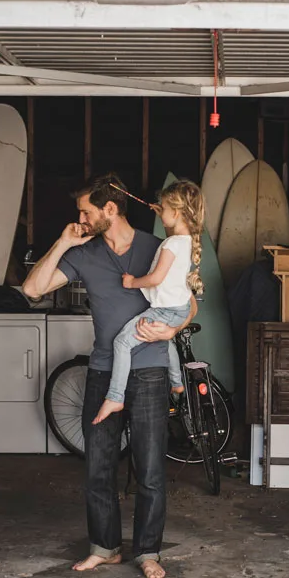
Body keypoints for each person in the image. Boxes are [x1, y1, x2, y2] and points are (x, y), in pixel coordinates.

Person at [22, 174, 193, 578]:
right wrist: (64, 241)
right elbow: (32, 289)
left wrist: (172, 330)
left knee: (150, 470)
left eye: (86, 210)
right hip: (102, 371)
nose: (80, 217)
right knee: (98, 468)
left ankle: (148, 551)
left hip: (150, 371)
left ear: (109, 209)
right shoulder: (85, 253)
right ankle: (106, 547)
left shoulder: (158, 248)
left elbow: (190, 302)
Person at [91, 180, 204, 424]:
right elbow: (173, 239)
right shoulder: (185, 240)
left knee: (122, 342)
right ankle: (176, 383)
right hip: (178, 309)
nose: (159, 212)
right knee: (166, 339)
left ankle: (115, 396)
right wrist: (163, 213)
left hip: (164, 310)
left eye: (163, 208)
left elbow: (155, 278)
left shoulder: (173, 243)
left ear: (175, 212)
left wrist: (131, 282)